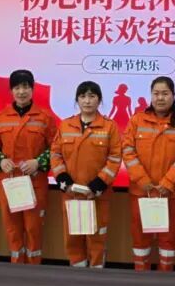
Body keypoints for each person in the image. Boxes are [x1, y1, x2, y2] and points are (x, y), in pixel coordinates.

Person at [122, 76, 175, 272]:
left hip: (170, 194)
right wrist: (142, 180)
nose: (160, 98)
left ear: (173, 95)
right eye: (156, 93)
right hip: (141, 193)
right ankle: (141, 280)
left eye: (165, 93)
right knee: (140, 240)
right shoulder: (137, 120)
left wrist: (168, 182)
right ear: (150, 95)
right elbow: (127, 150)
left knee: (168, 241)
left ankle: (165, 281)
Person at [50, 81, 122, 268]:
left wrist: (98, 185)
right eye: (83, 96)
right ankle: (77, 278)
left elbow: (115, 158)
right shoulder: (65, 125)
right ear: (77, 100)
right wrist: (64, 180)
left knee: (97, 240)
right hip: (71, 194)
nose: (87, 101)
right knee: (73, 240)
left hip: (97, 196)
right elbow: (55, 154)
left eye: (92, 96)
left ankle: (96, 279)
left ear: (99, 100)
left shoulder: (110, 127)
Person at [0, 69, 57, 264]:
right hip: (9, 182)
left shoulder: (45, 117)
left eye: (26, 87)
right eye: (17, 87)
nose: (21, 92)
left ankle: (34, 270)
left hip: (34, 183)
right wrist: (0, 160)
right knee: (12, 229)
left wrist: (38, 162)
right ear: (11, 90)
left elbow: (56, 149)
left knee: (33, 229)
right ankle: (16, 269)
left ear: (32, 89)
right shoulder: (1, 116)